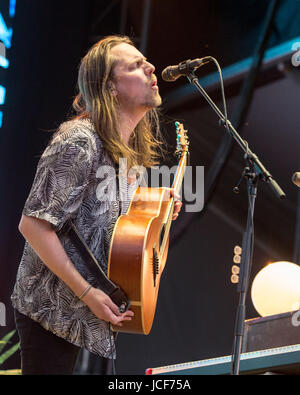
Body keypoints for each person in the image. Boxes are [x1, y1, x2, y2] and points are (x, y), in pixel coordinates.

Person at [11, 35, 182, 375]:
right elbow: (33, 225)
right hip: (52, 312)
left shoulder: (120, 151)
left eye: (145, 61)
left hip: (83, 314)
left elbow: (110, 224)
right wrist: (88, 291)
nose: (150, 67)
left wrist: (158, 207)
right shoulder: (79, 140)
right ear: (110, 88)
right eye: (134, 65)